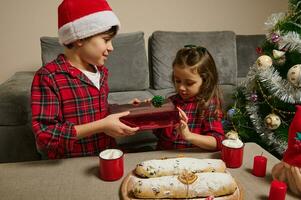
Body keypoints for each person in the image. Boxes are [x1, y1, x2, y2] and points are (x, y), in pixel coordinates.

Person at [31, 0, 138, 159]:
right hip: (72, 162)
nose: (111, 47)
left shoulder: (101, 71)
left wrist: (127, 109)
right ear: (79, 38)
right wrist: (101, 126)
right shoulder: (49, 77)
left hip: (107, 154)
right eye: (106, 39)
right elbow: (46, 135)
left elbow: (96, 110)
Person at [154, 45, 225, 151]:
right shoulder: (171, 101)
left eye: (189, 83)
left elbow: (218, 142)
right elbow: (160, 135)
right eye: (178, 81)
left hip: (191, 160)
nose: (181, 88)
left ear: (205, 80)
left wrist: (188, 135)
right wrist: (150, 112)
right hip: (163, 157)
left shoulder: (209, 104)